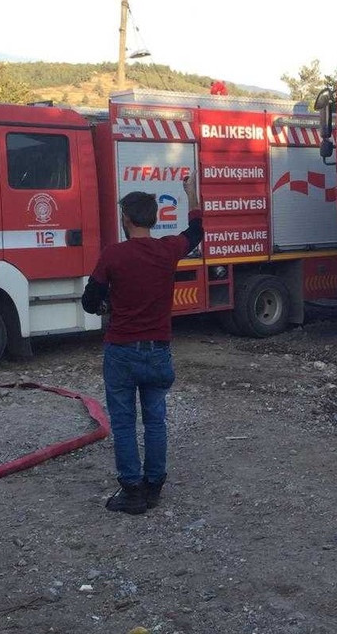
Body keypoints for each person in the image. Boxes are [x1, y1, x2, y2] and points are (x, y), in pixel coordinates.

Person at [81, 177, 203, 515]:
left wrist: (108, 305)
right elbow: (196, 230)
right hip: (158, 350)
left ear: (127, 219)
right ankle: (154, 486)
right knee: (155, 421)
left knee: (123, 423)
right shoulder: (168, 250)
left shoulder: (113, 255)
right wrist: (190, 193)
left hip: (121, 351)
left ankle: (131, 491)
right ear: (152, 218)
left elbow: (89, 301)